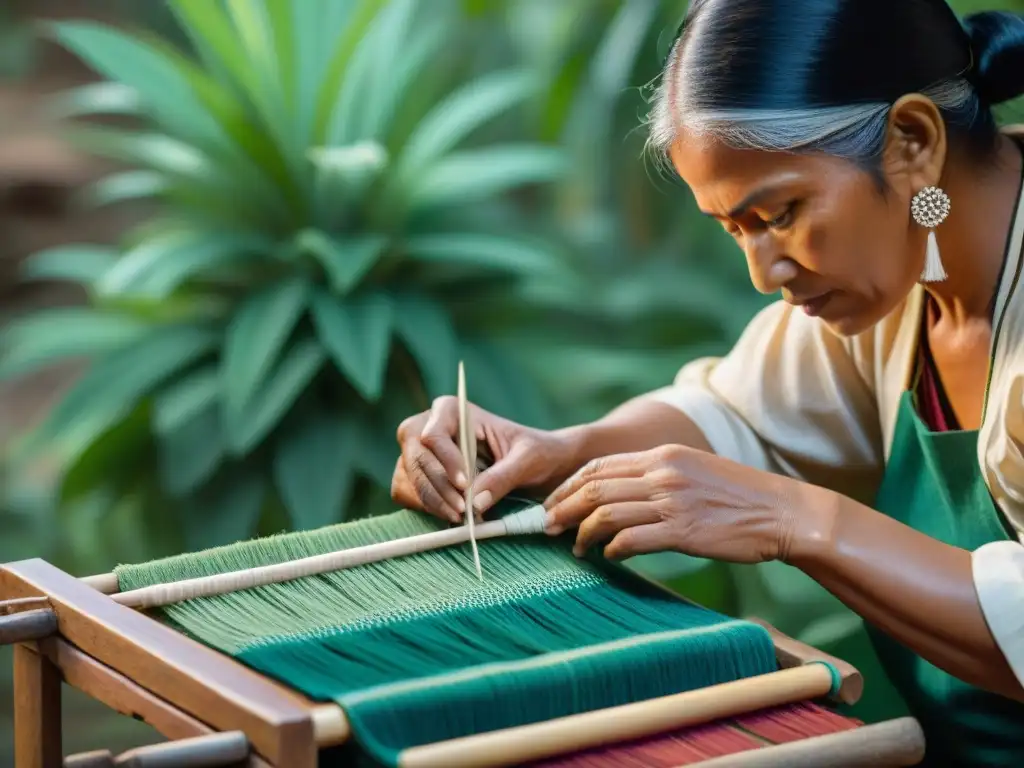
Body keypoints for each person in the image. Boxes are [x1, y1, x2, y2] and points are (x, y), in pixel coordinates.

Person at [390, 1, 1024, 764]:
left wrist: (796, 520)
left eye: (780, 213)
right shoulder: (905, 275)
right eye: (736, 229)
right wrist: (558, 450)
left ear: (912, 142)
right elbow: (737, 412)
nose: (764, 273)